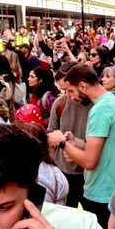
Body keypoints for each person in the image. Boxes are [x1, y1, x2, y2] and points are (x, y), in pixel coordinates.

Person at [48, 63, 115, 229]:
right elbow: (103, 147)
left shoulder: (100, 110)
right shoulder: (112, 101)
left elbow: (89, 161)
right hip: (110, 188)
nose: (69, 96)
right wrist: (75, 143)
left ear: (82, 86)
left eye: (70, 91)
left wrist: (62, 143)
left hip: (101, 192)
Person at [47, 75, 91, 210]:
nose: (67, 94)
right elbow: (51, 133)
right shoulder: (60, 103)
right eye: (63, 90)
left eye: (69, 90)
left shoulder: (97, 106)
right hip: (64, 171)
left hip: (89, 173)